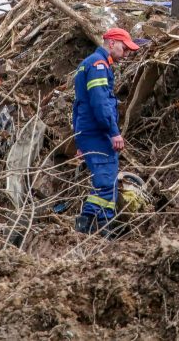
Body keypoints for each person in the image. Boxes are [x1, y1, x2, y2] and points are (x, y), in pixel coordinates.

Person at [73, 27, 140, 235]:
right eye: (124, 48)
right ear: (111, 43)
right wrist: (113, 132)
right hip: (97, 133)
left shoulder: (90, 64)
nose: (127, 53)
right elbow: (101, 104)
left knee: (104, 180)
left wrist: (79, 140)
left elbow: (78, 106)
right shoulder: (98, 66)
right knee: (106, 180)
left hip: (88, 133)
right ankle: (101, 227)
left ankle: (93, 225)